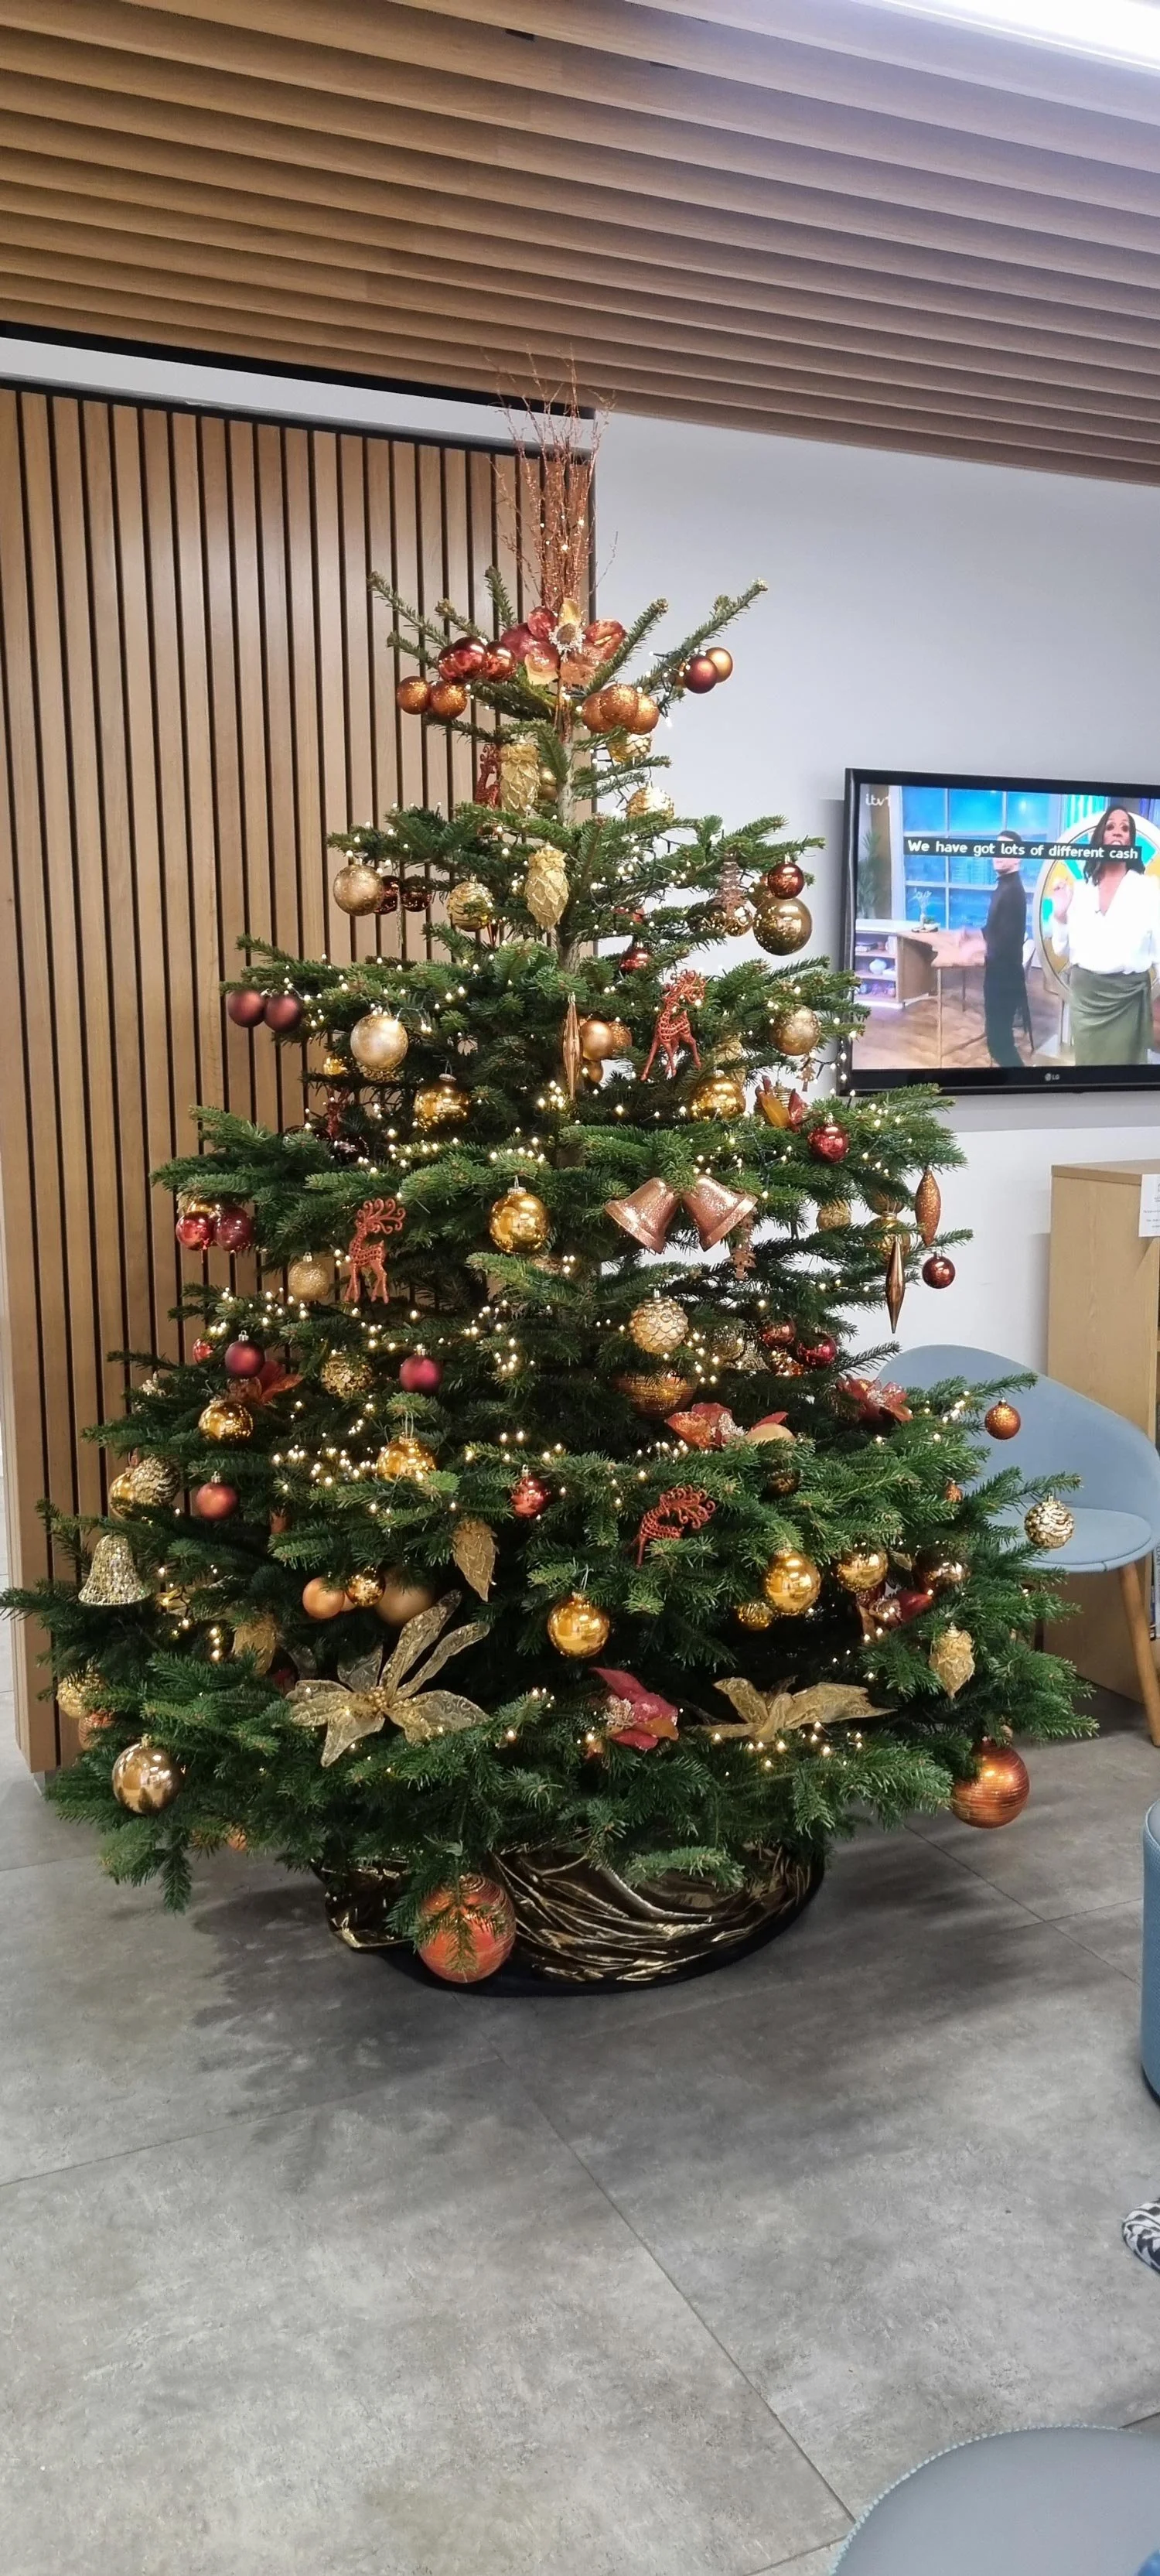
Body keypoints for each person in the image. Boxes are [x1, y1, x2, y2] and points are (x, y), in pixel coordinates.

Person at [1048, 803, 1160, 1064]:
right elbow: (1061, 950)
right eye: (1110, 827)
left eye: (1125, 829)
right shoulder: (1081, 890)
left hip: (1128, 1003)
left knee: (1123, 1075)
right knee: (1089, 1073)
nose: (1118, 832)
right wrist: (1060, 915)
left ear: (1131, 841)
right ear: (1101, 838)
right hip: (1086, 1003)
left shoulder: (1148, 890)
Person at [981, 834, 1032, 1067]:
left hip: (1004, 980)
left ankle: (1025, 1083)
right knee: (998, 1043)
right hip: (999, 976)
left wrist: (976, 949)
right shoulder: (1005, 886)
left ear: (1018, 857)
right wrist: (972, 935)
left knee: (1000, 1046)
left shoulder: (1012, 891)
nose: (998, 854)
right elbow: (994, 929)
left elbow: (1003, 943)